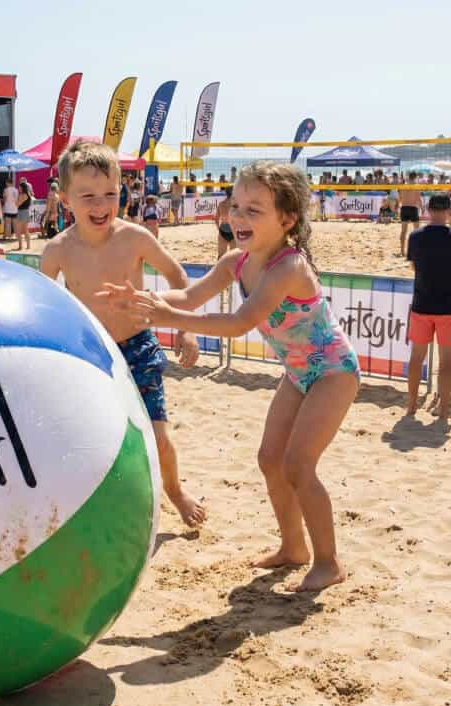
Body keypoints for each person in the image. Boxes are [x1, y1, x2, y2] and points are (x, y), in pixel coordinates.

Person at [103, 162, 359, 591]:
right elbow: (189, 293)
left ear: (287, 219)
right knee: (268, 460)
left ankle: (328, 563)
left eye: (254, 210)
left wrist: (168, 315)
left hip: (333, 371)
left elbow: (241, 322)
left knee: (298, 464)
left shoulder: (289, 267)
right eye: (235, 206)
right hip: (298, 373)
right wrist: (146, 296)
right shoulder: (236, 263)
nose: (238, 217)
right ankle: (293, 549)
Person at [40, 140, 206, 529]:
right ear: (66, 199)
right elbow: (41, 303)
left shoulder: (135, 237)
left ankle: (175, 491)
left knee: (159, 436)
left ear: (123, 191)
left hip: (139, 345)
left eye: (110, 194)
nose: (101, 205)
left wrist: (185, 329)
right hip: (89, 352)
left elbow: (178, 277)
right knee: (94, 436)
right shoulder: (57, 250)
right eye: (88, 196)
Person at [405, 193, 451, 420]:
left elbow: (414, 266)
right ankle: (443, 411)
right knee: (446, 362)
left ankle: (411, 406)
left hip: (422, 304)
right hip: (447, 308)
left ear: (428, 210)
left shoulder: (415, 236)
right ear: (448, 212)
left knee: (416, 358)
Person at [399, 172, 423, 257]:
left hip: (404, 208)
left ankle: (402, 251)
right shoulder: (416, 186)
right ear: (415, 177)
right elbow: (418, 199)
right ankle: (417, 250)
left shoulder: (403, 186)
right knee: (417, 231)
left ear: (408, 177)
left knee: (403, 231)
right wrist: (422, 208)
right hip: (413, 208)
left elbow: (401, 198)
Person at [215, 186, 236, 256]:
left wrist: (219, 229)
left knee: (220, 256)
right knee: (234, 258)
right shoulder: (236, 205)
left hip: (223, 230)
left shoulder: (221, 204)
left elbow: (216, 219)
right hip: (233, 230)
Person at [14, 179, 33, 251]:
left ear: (22, 188)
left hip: (22, 212)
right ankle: (27, 246)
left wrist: (17, 199)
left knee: (20, 231)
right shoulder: (27, 195)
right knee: (25, 230)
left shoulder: (23, 195)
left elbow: (17, 204)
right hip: (24, 212)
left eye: (19, 187)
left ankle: (21, 246)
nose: (18, 189)